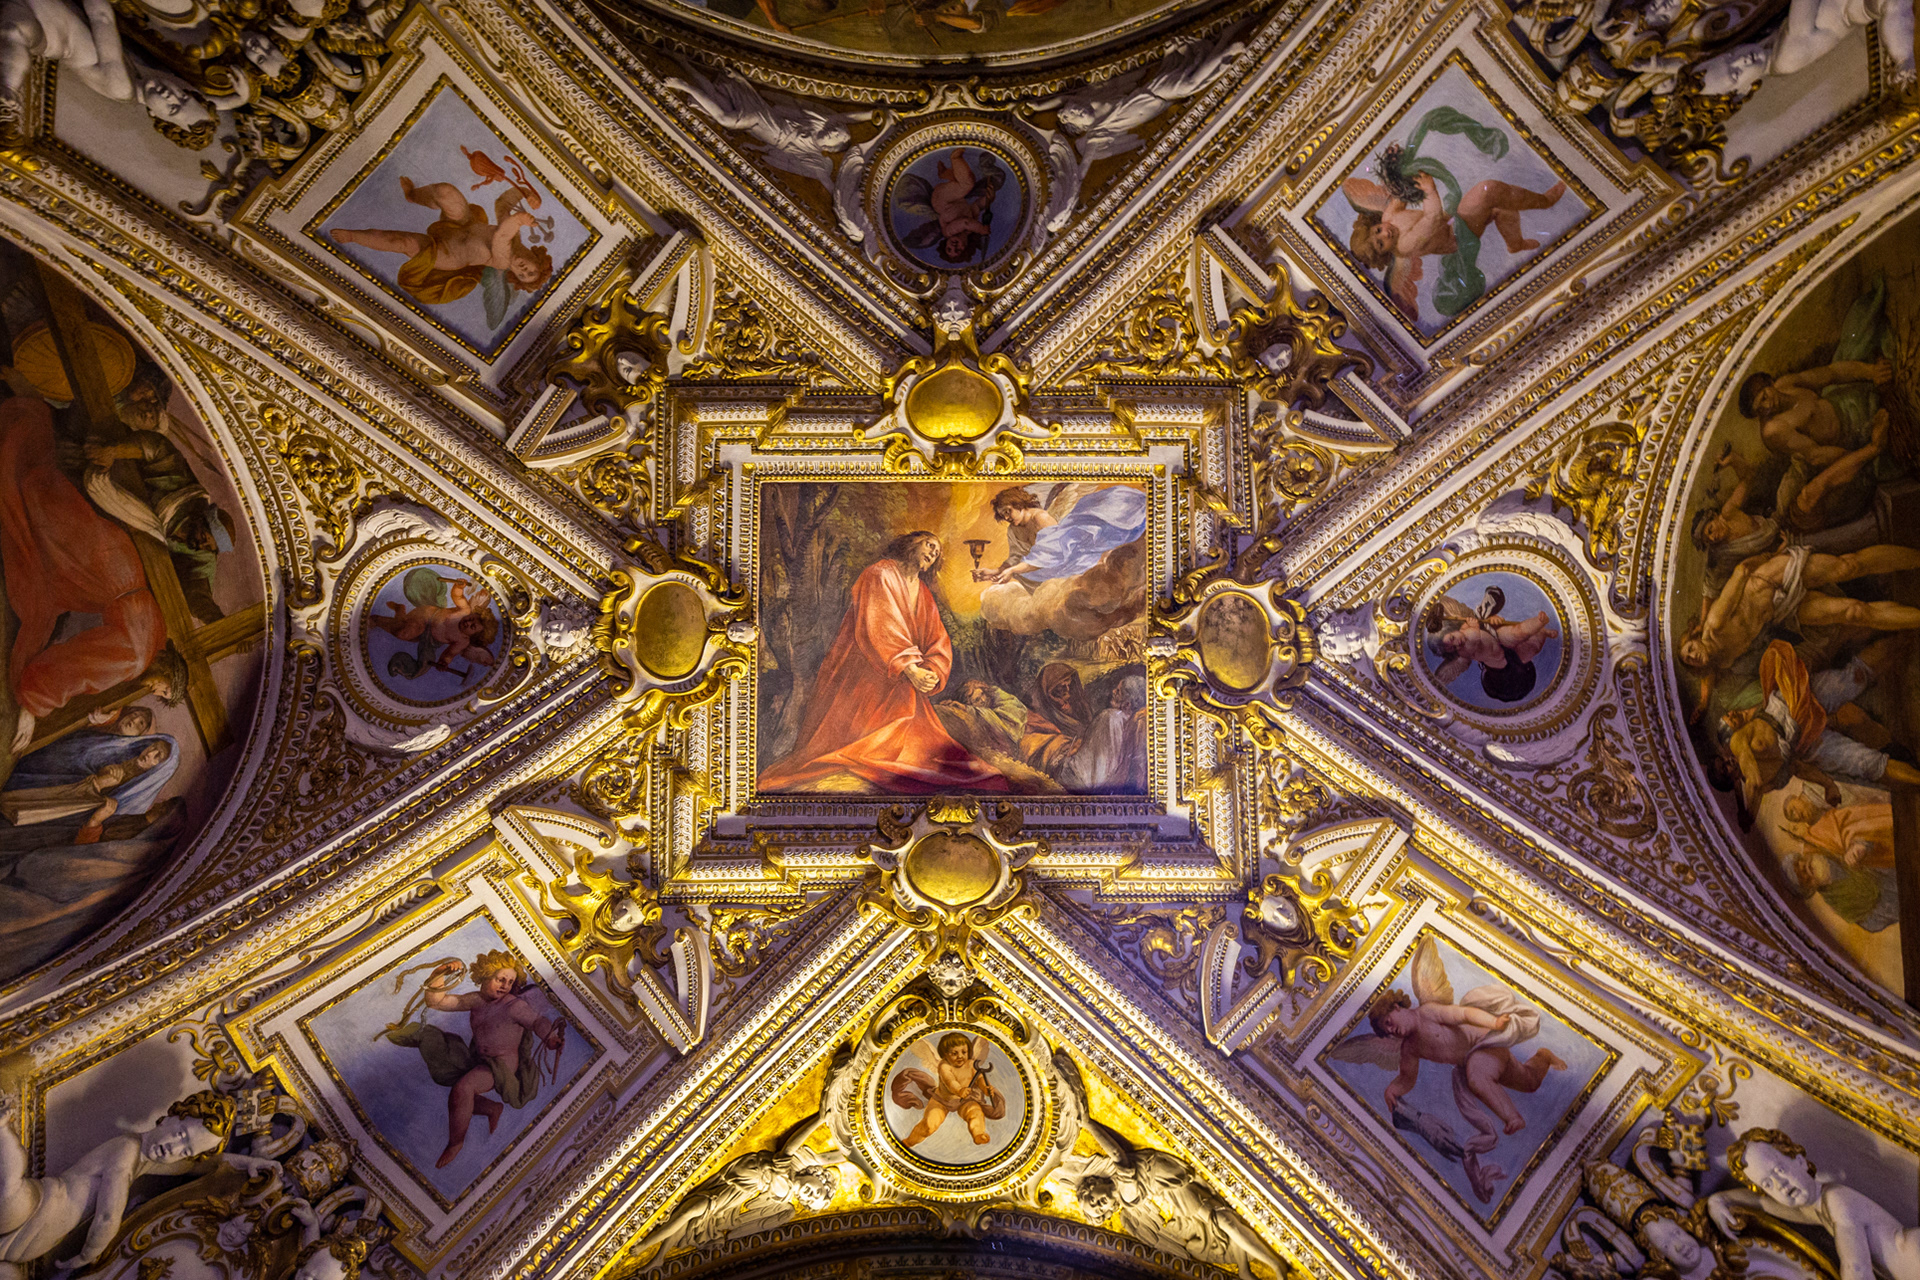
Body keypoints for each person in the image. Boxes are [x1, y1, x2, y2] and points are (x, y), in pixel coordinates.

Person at [758, 532, 1005, 794]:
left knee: (941, 758)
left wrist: (933, 669)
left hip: (904, 681)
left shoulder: (922, 591)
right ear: (911, 543)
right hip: (865, 677)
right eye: (929, 544)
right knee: (868, 748)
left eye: (937, 552)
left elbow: (937, 637)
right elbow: (881, 625)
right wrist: (911, 669)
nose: (933, 553)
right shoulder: (880, 573)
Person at [0, 387, 167, 756]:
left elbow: (100, 677)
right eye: (165, 692)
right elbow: (77, 667)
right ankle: (19, 418)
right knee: (30, 496)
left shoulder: (157, 639)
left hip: (114, 566)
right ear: (167, 680)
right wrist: (33, 704)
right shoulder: (139, 658)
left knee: (36, 493)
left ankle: (22, 420)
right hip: (97, 569)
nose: (157, 695)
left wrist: (107, 715)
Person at [0, 1090, 268, 1277]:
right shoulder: (127, 1149)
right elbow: (108, 1216)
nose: (174, 1149)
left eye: (186, 1150)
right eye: (180, 1135)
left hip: (32, 1240)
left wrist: (244, 1161)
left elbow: (196, 1166)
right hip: (41, 1204)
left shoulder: (147, 1161)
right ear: (172, 1115)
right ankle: (2, 1128)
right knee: (12, 1188)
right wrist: (88, 1254)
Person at [378, 951, 567, 1169]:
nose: (505, 986)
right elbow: (437, 1002)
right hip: (480, 1058)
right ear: (485, 975)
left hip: (501, 1065)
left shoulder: (514, 1006)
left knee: (462, 1089)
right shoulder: (477, 1000)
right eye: (500, 979)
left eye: (510, 982)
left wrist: (550, 1037)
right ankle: (491, 1108)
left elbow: (536, 1021)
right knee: (455, 1085)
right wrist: (440, 972)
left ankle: (456, 1143)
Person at [1708, 1129, 1920, 1280]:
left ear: (1799, 1160)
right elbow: (1762, 1203)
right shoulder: (1815, 1209)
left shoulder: (1837, 1201)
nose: (1780, 1184)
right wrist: (1720, 1200)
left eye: (1779, 1170)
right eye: (1767, 1184)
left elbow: (1856, 1269)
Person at [329, 175, 553, 307]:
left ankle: (353, 236)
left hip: (447, 254)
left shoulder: (503, 261)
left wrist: (520, 219)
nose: (523, 270)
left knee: (403, 242)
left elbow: (501, 237)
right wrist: (525, 193)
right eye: (531, 271)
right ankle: (413, 195)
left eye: (522, 276)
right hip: (461, 225)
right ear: (537, 258)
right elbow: (502, 204)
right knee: (445, 191)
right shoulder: (517, 236)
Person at [892, 1032, 1003, 1147]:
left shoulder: (972, 1065)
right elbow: (950, 1081)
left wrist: (985, 1088)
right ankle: (909, 1142)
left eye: (964, 1052)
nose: (960, 1056)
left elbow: (979, 1079)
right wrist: (959, 1090)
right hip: (942, 1100)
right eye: (954, 1053)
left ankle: (978, 1134)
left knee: (975, 1112)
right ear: (945, 1054)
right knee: (929, 1125)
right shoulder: (944, 1066)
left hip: (965, 1100)